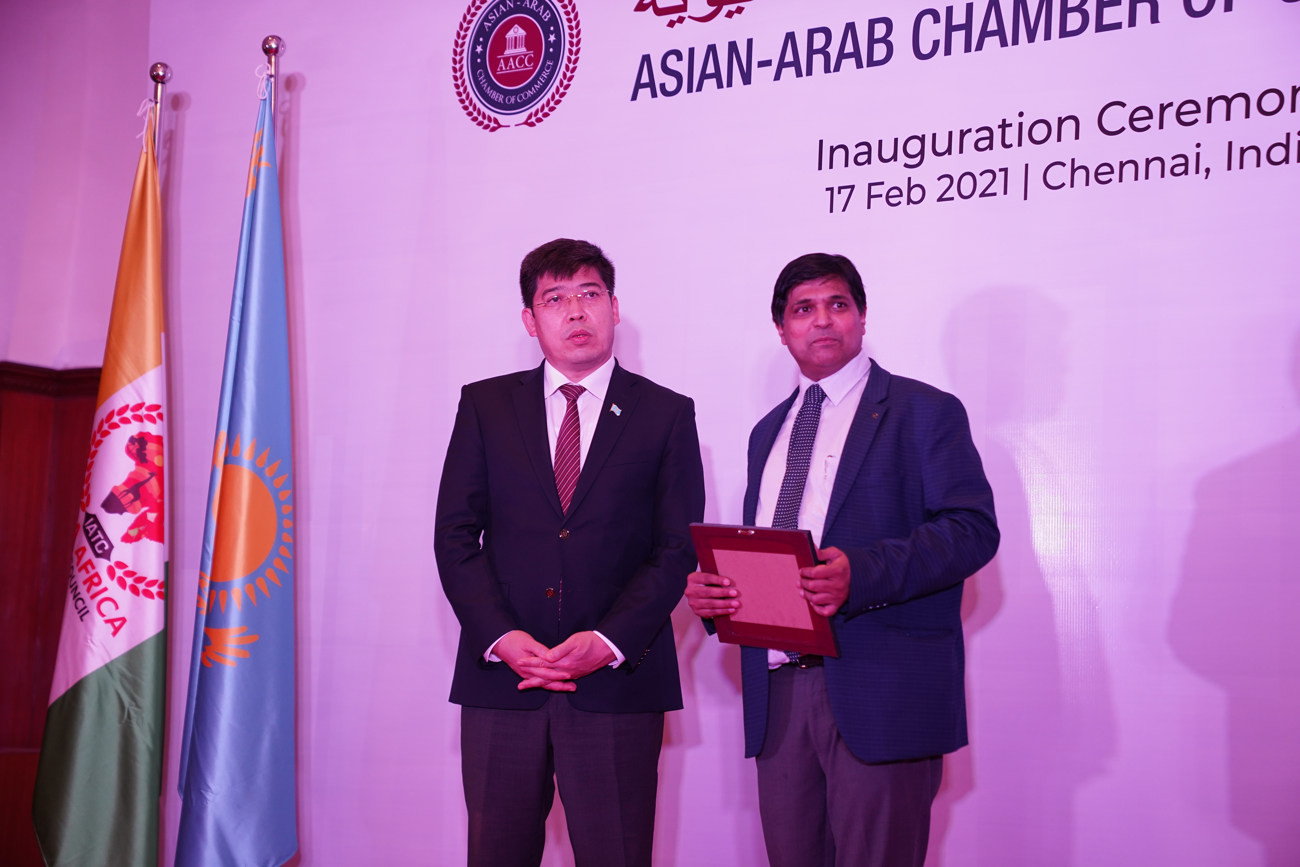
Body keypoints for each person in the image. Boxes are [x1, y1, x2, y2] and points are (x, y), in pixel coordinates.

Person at [686, 253, 999, 867]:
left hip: (880, 689)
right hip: (779, 692)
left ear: (861, 317)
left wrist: (862, 575)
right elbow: (766, 552)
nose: (823, 320)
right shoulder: (767, 432)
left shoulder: (924, 411)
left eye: (838, 304)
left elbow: (972, 530)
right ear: (782, 330)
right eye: (804, 309)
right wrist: (716, 599)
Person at [434, 238, 706, 867]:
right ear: (530, 321)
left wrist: (607, 642)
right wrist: (502, 637)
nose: (576, 311)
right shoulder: (485, 405)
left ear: (615, 307)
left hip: (617, 684)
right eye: (555, 299)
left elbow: (675, 548)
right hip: (505, 680)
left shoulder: (666, 413)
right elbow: (455, 535)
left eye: (589, 294)